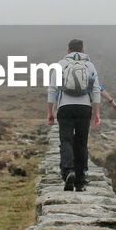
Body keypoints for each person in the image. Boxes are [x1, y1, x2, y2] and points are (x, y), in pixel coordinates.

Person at [46, 38, 101, 191]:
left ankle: (69, 171)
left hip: (65, 107)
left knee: (66, 140)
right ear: (83, 50)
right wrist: (97, 113)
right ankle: (81, 179)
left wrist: (50, 112)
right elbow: (95, 90)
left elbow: (52, 89)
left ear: (68, 51)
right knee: (81, 142)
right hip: (84, 108)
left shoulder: (60, 65)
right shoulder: (90, 65)